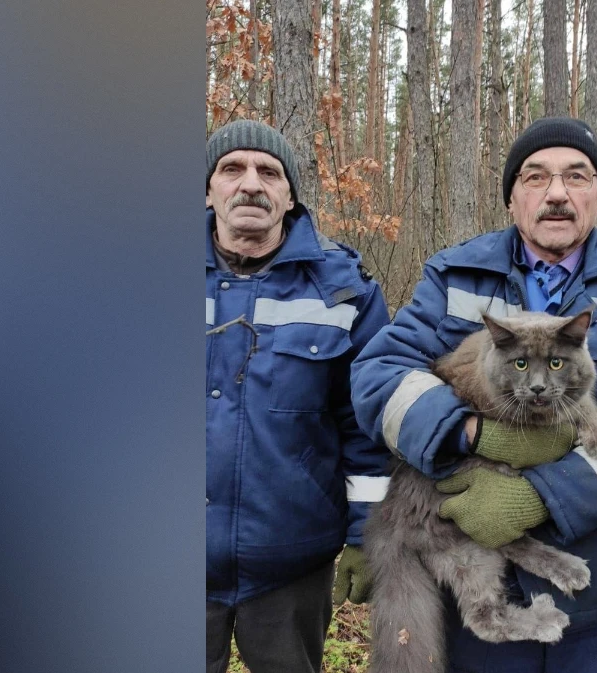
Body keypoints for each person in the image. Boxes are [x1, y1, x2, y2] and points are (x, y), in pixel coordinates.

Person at [350, 116, 597, 672]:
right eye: (536, 178)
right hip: (472, 576)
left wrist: (546, 493)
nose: (558, 194)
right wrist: (464, 432)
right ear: (513, 199)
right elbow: (380, 372)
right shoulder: (453, 275)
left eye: (578, 177)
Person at [205, 119, 390, 673]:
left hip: (291, 561)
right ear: (208, 189)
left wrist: (367, 535)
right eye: (231, 169)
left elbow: (369, 428)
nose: (251, 183)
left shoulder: (344, 290)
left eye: (269, 172)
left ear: (289, 195)